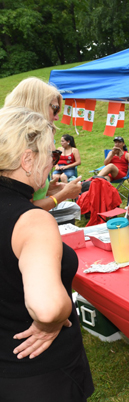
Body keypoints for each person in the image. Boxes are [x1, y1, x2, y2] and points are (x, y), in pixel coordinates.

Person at [0, 106, 93, 401]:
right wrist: (51, 322)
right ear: (28, 159)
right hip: (41, 374)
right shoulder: (32, 220)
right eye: (51, 155)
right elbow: (48, 306)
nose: (53, 163)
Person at [3, 77, 82, 210]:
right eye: (55, 109)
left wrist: (47, 190)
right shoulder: (20, 143)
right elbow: (22, 207)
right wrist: (62, 195)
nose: (57, 117)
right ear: (38, 104)